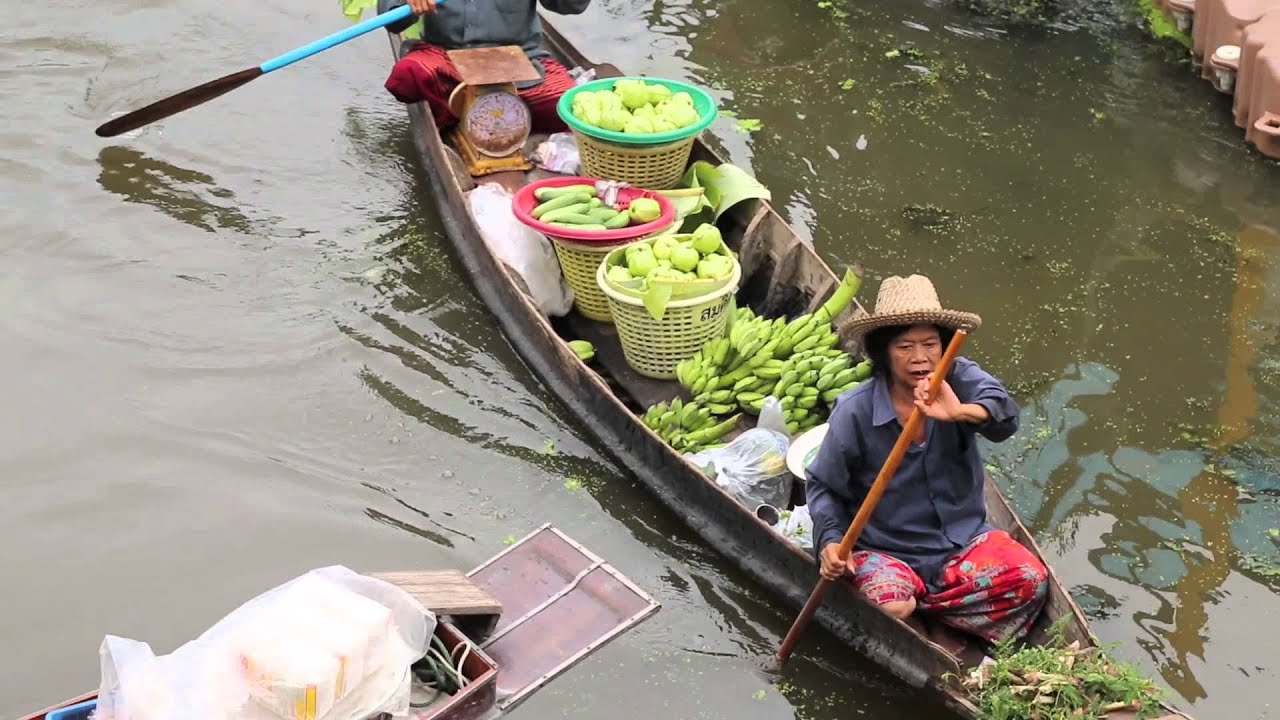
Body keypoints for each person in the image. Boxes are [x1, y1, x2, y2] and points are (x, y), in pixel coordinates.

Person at [804, 274, 1048, 656]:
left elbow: (1003, 413)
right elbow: (824, 486)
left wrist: (960, 412)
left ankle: (932, 612)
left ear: (944, 346)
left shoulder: (960, 377)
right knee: (891, 605)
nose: (920, 357)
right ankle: (928, 611)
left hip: (960, 541)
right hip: (887, 547)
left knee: (1030, 580)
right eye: (905, 346)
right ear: (885, 352)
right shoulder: (856, 411)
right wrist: (831, 543)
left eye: (930, 344)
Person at [378, 0, 590, 133]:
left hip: (518, 62)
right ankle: (468, 113)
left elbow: (571, 5)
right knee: (408, 74)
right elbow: (391, 19)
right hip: (447, 57)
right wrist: (410, 4)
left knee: (569, 107)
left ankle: (470, 113)